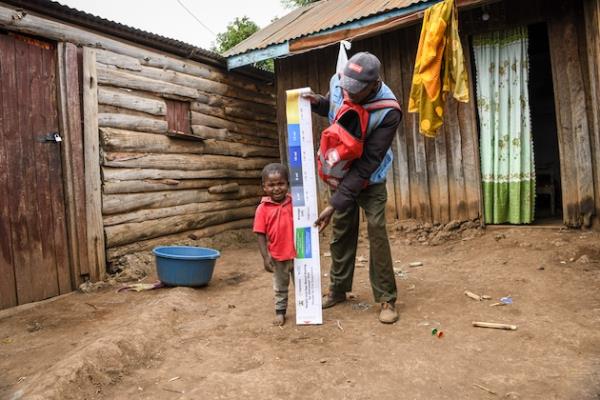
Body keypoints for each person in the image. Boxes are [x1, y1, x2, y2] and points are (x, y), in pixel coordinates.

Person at [305, 52, 402, 324]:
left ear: (374, 84)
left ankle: (386, 297)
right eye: (346, 86)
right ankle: (337, 289)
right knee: (341, 231)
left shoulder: (389, 110)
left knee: (376, 230)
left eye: (356, 90)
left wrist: (335, 204)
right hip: (341, 172)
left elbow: (369, 162)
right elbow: (333, 108)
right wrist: (317, 103)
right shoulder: (340, 83)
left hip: (370, 178)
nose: (348, 92)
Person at [253, 163, 296, 326]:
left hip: (298, 254)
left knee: (302, 283)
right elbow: (260, 234)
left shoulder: (295, 203)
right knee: (280, 286)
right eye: (271, 185)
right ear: (264, 187)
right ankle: (280, 312)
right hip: (278, 255)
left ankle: (306, 310)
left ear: (287, 184)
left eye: (280, 184)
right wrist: (265, 256)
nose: (276, 188)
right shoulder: (262, 209)